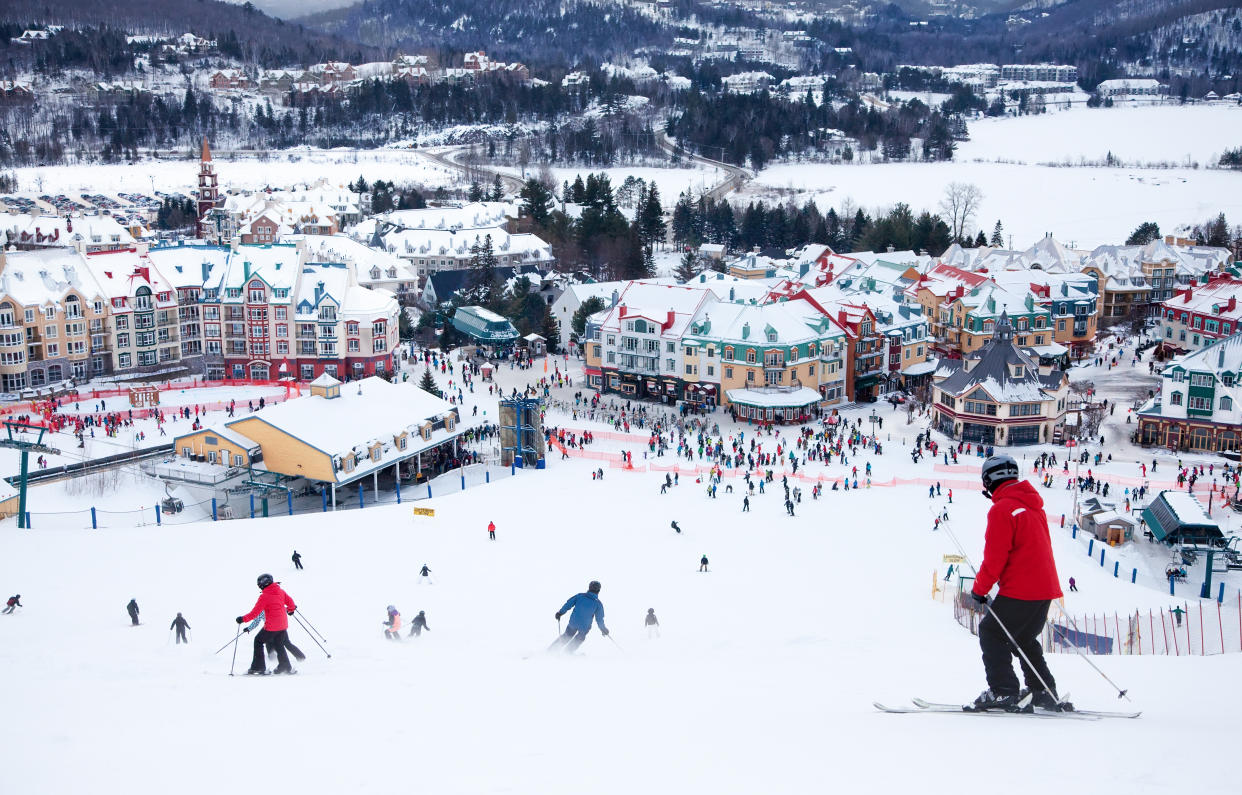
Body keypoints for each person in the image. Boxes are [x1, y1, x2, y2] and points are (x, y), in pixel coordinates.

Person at [968, 455, 1068, 712]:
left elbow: (995, 558)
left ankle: (1003, 691)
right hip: (1044, 589)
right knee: (1022, 638)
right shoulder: (1033, 506)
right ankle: (1042, 690)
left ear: (990, 480)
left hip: (1021, 589)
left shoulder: (1002, 509)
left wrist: (979, 590)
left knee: (991, 633)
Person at [235, 573, 297, 675]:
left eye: (259, 583)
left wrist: (242, 619)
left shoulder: (265, 596)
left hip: (272, 626)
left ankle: (258, 667)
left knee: (258, 641)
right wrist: (291, 610)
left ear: (263, 584)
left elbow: (255, 613)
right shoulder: (280, 591)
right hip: (283, 625)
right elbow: (290, 603)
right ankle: (285, 666)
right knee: (279, 644)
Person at [552, 581, 608, 652]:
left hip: (573, 623)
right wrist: (603, 629)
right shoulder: (598, 604)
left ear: (589, 587)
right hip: (584, 627)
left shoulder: (580, 596)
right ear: (599, 590)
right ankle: (567, 653)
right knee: (579, 639)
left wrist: (560, 613)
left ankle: (551, 651)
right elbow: (599, 619)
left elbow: (568, 604)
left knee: (567, 636)